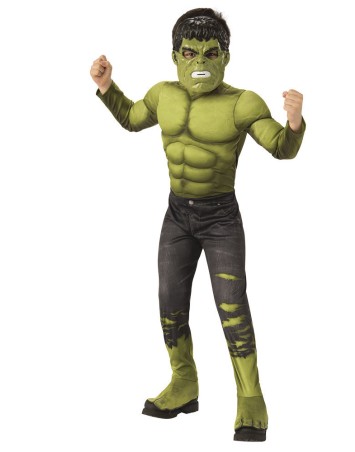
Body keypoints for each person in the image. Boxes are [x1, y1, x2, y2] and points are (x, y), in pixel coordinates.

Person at [90, 7, 305, 442]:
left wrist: (295, 122)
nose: (200, 62)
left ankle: (251, 398)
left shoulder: (243, 102)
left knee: (232, 307)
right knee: (169, 301)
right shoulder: (163, 94)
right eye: (190, 53)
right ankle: (184, 384)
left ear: (226, 57)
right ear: (176, 56)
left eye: (211, 53)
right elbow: (131, 119)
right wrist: (107, 86)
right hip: (177, 215)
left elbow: (281, 148)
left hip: (220, 216)